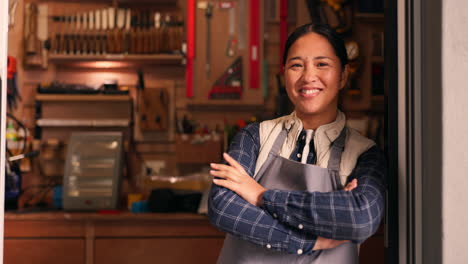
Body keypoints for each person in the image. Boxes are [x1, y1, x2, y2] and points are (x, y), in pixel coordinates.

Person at [208, 23, 387, 264]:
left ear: (343, 75)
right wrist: (309, 242)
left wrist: (261, 196)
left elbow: (360, 218)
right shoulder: (254, 137)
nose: (308, 77)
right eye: (296, 65)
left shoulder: (364, 153)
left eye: (322, 64)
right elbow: (223, 207)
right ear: (284, 75)